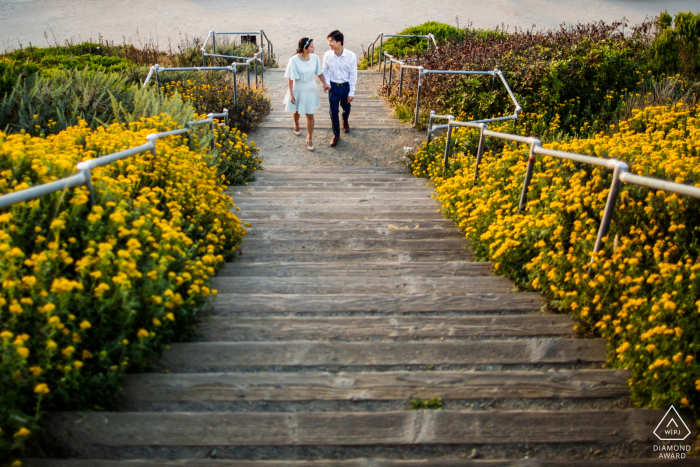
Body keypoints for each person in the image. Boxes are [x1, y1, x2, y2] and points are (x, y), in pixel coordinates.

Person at [283, 37, 328, 151]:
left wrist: (324, 83)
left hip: (311, 88)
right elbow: (289, 78)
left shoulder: (315, 58)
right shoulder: (293, 60)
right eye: (311, 46)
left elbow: (319, 73)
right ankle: (296, 123)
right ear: (305, 48)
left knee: (310, 114)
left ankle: (310, 138)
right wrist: (291, 94)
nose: (314, 48)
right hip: (298, 87)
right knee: (297, 111)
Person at [322, 30, 358, 147]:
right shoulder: (327, 55)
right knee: (333, 111)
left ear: (339, 42)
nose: (329, 44)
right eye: (329, 41)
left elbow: (353, 75)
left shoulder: (351, 56)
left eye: (331, 41)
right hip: (333, 87)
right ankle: (336, 134)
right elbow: (324, 71)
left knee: (346, 108)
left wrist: (351, 92)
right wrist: (327, 83)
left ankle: (345, 119)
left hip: (345, 87)